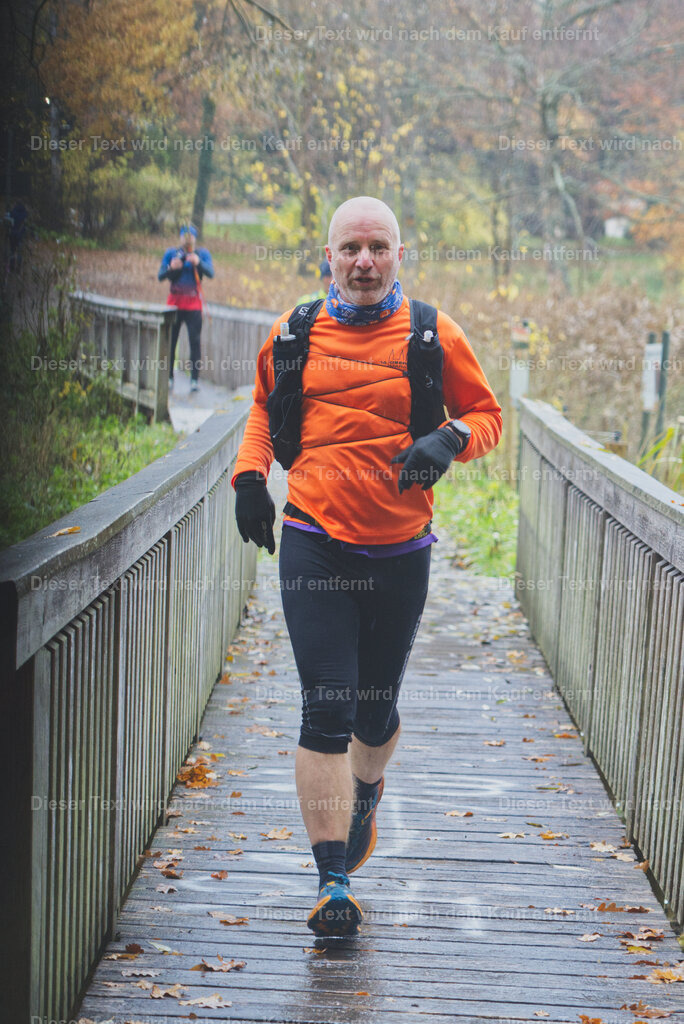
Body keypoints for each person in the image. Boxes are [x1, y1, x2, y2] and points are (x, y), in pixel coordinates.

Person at [232, 196, 502, 937]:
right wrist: (250, 477)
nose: (364, 261)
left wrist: (448, 439)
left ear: (399, 255)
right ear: (328, 256)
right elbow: (263, 409)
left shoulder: (433, 334)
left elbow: (488, 417)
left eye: (378, 247)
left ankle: (367, 789)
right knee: (327, 706)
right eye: (350, 248)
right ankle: (332, 882)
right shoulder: (294, 332)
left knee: (373, 713)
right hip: (315, 536)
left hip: (401, 549)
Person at [158, 224, 214, 393]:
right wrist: (171, 268)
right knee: (170, 342)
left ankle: (194, 380)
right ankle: (168, 377)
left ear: (195, 238)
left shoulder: (201, 254)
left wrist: (198, 263)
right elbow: (161, 275)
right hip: (174, 306)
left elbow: (210, 273)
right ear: (180, 237)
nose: (188, 240)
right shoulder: (171, 253)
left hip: (193, 306)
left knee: (194, 342)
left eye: (190, 237)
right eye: (185, 236)